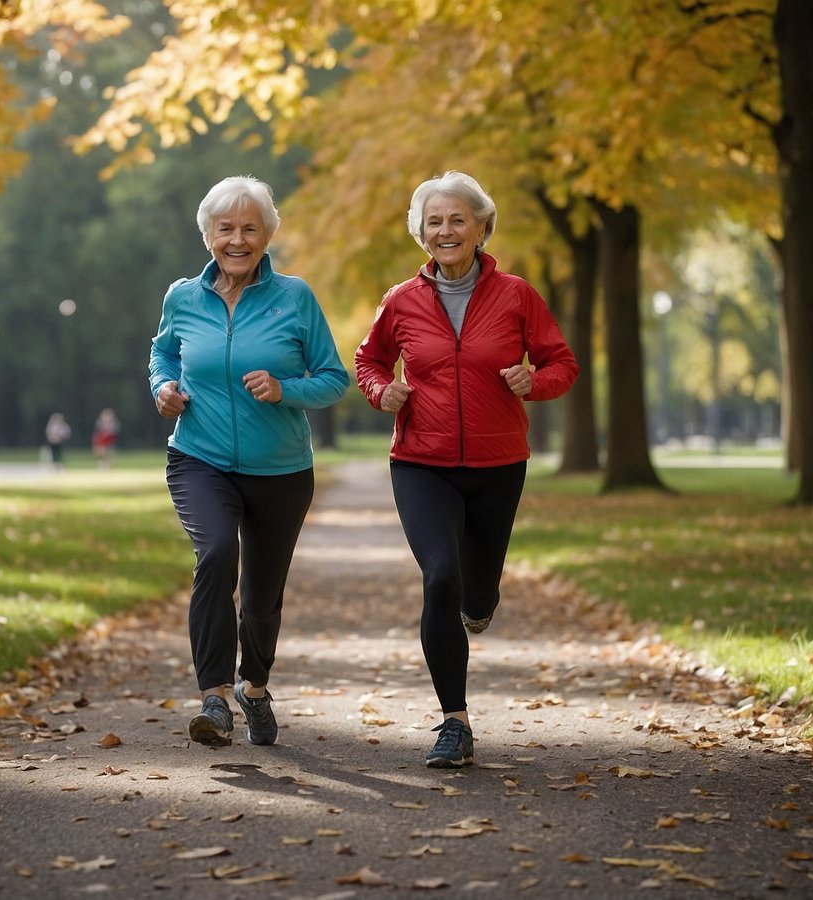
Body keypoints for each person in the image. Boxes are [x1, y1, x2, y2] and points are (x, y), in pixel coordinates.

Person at [354, 171, 580, 769]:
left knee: (477, 591)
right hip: (421, 463)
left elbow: (562, 362)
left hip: (498, 463)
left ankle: (480, 603)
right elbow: (369, 359)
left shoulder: (517, 296)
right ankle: (454, 721)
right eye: (435, 221)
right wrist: (383, 391)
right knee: (440, 577)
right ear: (421, 233)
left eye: (458, 219)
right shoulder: (401, 300)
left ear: (482, 227)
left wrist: (535, 381)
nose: (446, 230)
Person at [150, 174, 350, 748]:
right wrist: (163, 386)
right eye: (225, 229)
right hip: (199, 456)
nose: (236, 240)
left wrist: (285, 389)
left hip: (281, 469)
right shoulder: (183, 297)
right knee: (215, 554)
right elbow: (163, 351)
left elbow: (334, 378)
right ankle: (214, 698)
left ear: (267, 235)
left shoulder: (295, 297)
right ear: (208, 233)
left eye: (249, 229)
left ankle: (253, 686)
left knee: (262, 596)